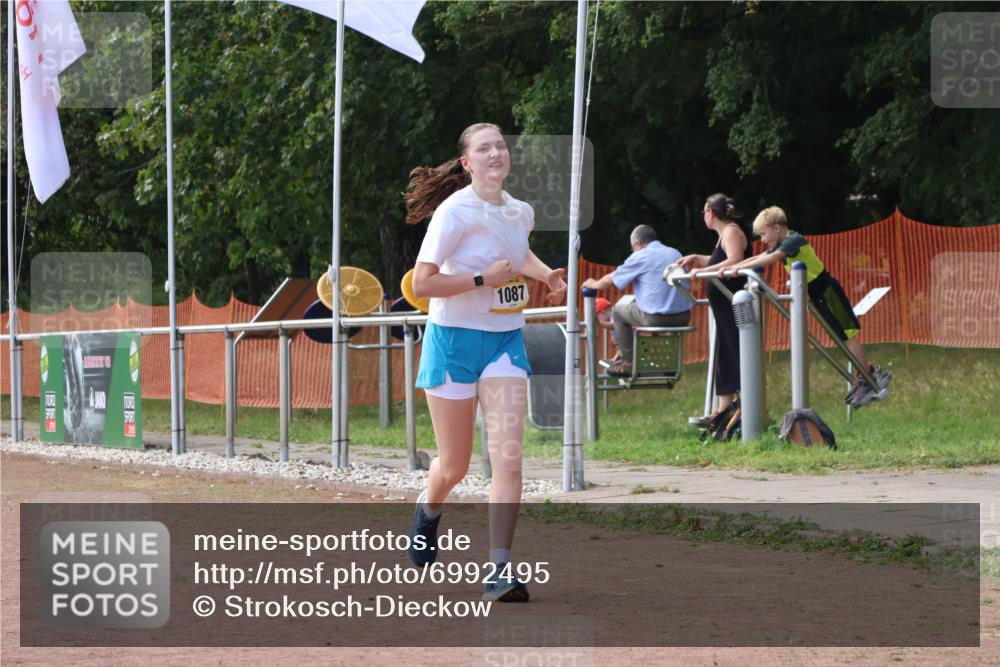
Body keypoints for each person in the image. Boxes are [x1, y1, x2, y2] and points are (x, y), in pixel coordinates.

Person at [402, 122, 567, 602]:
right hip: (452, 342)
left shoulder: (520, 211)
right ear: (467, 162)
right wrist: (481, 280)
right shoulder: (453, 212)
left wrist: (546, 275)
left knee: (508, 457)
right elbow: (423, 283)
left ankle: (499, 570)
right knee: (454, 465)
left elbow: (517, 253)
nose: (496, 153)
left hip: (504, 344)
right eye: (484, 148)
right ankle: (429, 507)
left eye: (501, 145)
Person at [724, 206, 891, 407]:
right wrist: (734, 266)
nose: (763, 240)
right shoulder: (782, 243)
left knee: (847, 335)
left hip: (827, 290)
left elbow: (770, 259)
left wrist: (739, 267)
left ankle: (867, 375)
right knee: (839, 336)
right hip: (817, 294)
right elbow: (759, 257)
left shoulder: (793, 240)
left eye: (763, 234)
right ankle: (864, 374)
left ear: (776, 228)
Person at [582, 225, 691, 376]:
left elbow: (613, 279)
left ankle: (628, 364)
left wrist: (594, 284)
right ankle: (665, 361)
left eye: (632, 248)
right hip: (683, 317)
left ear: (638, 244)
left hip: (656, 318)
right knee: (646, 308)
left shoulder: (641, 255)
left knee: (618, 311)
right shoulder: (675, 253)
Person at [677, 194, 749, 421]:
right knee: (724, 353)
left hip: (732, 302)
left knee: (736, 350)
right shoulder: (724, 235)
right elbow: (721, 260)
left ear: (711, 213)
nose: (704, 216)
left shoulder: (731, 232)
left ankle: (748, 406)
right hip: (723, 306)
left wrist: (703, 272)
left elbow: (735, 259)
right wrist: (697, 258)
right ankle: (724, 409)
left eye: (704, 212)